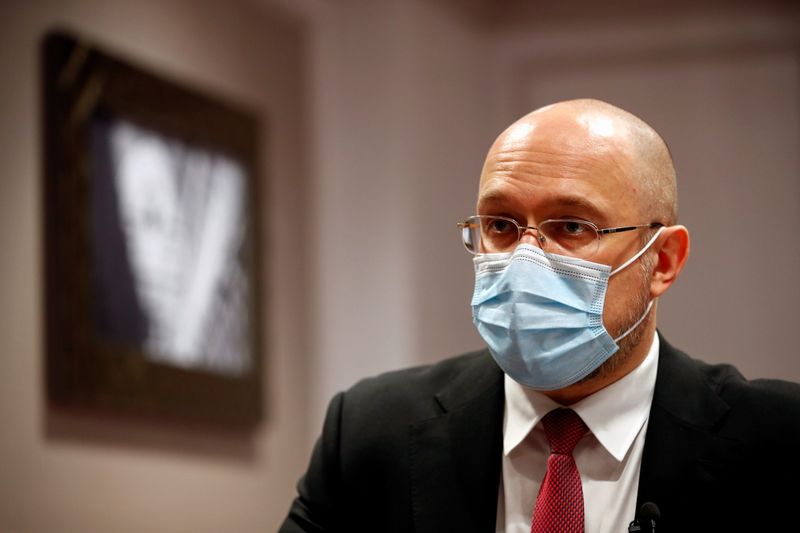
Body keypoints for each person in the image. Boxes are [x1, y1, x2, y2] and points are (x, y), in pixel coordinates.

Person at [278, 99, 800, 532]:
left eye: (572, 227)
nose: (525, 259)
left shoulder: (780, 440)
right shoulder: (371, 433)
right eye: (501, 225)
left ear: (662, 261)